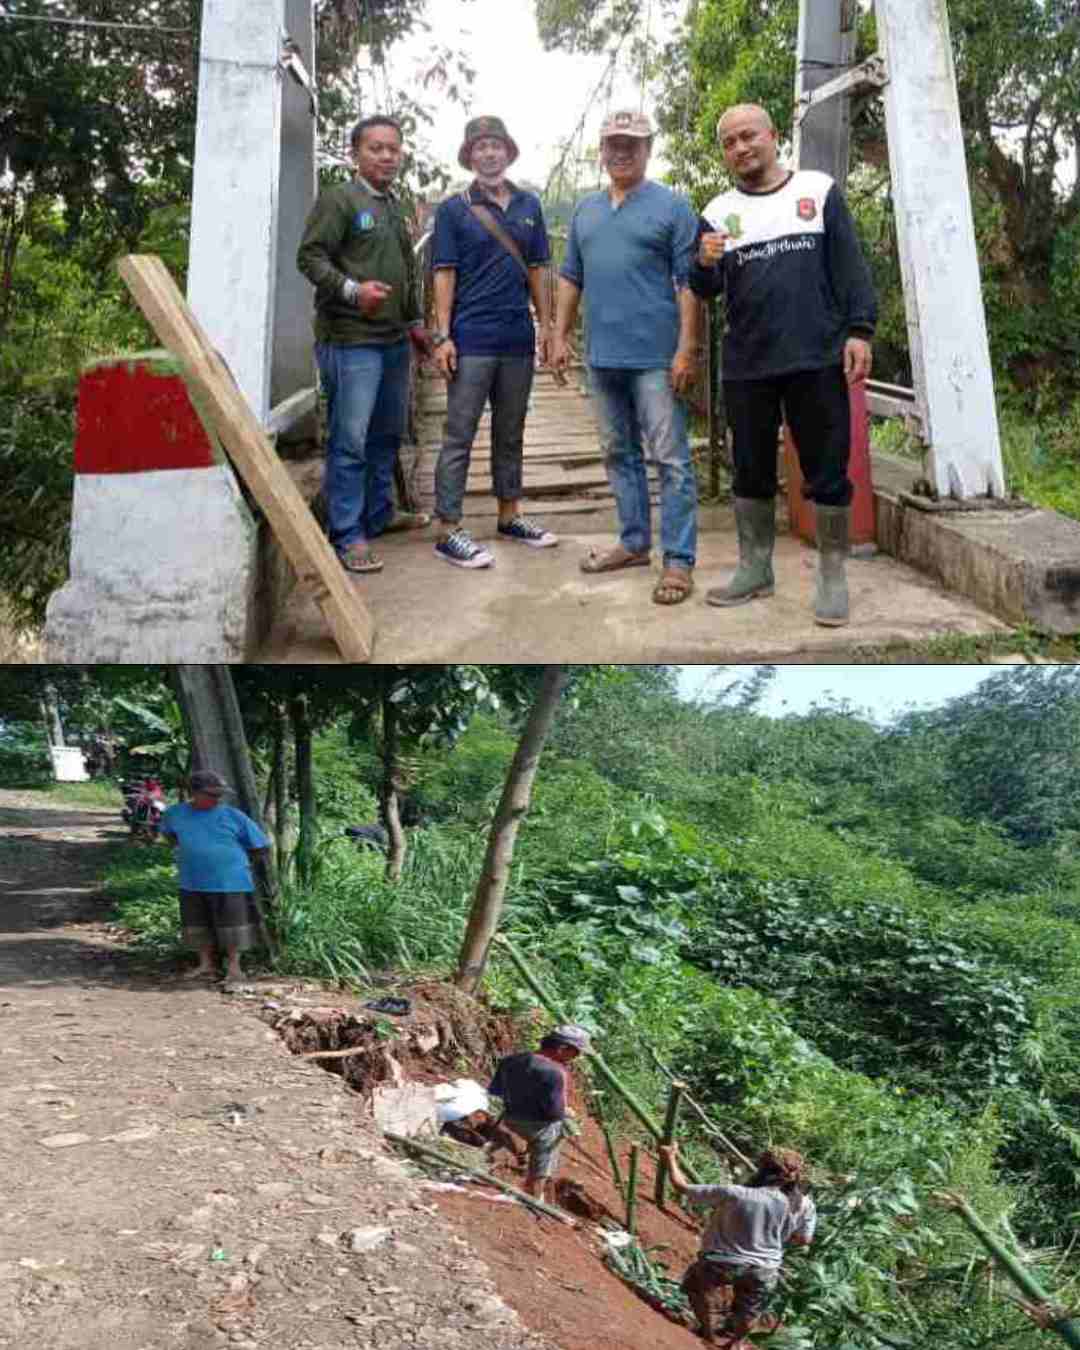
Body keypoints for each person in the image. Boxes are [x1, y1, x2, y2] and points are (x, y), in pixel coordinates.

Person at [688, 103, 877, 627]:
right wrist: (703, 262)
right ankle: (755, 568)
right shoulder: (718, 210)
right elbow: (705, 289)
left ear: (772, 136)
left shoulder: (817, 192)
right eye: (729, 142)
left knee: (827, 470)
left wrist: (860, 330)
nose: (741, 148)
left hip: (815, 357)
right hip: (748, 364)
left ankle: (833, 576)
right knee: (748, 469)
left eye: (749, 136)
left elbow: (850, 266)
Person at [552, 109, 701, 607]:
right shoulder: (586, 212)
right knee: (619, 453)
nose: (621, 151)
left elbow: (688, 284)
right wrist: (557, 334)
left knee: (672, 459)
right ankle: (634, 542)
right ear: (602, 148)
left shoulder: (673, 208)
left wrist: (686, 347)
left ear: (648, 149)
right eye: (613, 143)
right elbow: (571, 277)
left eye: (632, 143)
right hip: (601, 356)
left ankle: (678, 560)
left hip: (656, 357)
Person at [297, 115, 433, 575]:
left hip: (394, 340)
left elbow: (408, 270)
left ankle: (380, 513)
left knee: (387, 434)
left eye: (394, 148)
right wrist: (354, 291)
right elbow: (309, 256)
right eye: (376, 148)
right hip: (352, 339)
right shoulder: (339, 200)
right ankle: (348, 533)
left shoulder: (395, 205)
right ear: (355, 153)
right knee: (350, 439)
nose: (387, 156)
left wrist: (415, 320)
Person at [430, 115, 557, 568]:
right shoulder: (453, 209)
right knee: (459, 433)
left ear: (508, 151)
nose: (488, 153)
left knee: (511, 430)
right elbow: (443, 272)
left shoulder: (530, 205)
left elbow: (540, 268)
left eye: (496, 145)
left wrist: (546, 326)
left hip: (516, 338)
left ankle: (510, 515)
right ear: (469, 155)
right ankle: (448, 527)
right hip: (471, 338)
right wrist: (443, 335)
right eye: (480, 146)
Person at [659, 1143, 816, 1346]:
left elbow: (682, 1187)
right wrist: (777, 1237)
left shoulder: (735, 1193)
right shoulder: (804, 1205)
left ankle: (707, 1331)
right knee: (750, 1309)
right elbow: (804, 1239)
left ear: (761, 1170)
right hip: (765, 1268)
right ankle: (736, 1343)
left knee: (695, 1287)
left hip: (721, 1262)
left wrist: (670, 1157)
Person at [159, 770, 272, 985]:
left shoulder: (233, 816)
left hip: (230, 880)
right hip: (192, 879)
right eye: (211, 794)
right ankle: (205, 964)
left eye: (219, 795)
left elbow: (261, 845)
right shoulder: (175, 814)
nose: (217, 799)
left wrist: (242, 864)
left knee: (233, 925)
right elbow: (169, 834)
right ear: (194, 793)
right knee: (196, 923)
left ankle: (234, 967)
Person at [487, 1023, 591, 1204]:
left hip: (509, 1118)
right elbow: (554, 1113)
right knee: (552, 1138)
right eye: (576, 1052)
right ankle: (535, 1193)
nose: (576, 1057)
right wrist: (568, 1114)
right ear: (562, 1048)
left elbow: (495, 1091)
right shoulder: (556, 1072)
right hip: (536, 1126)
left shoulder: (511, 1060)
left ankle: (528, 1169)